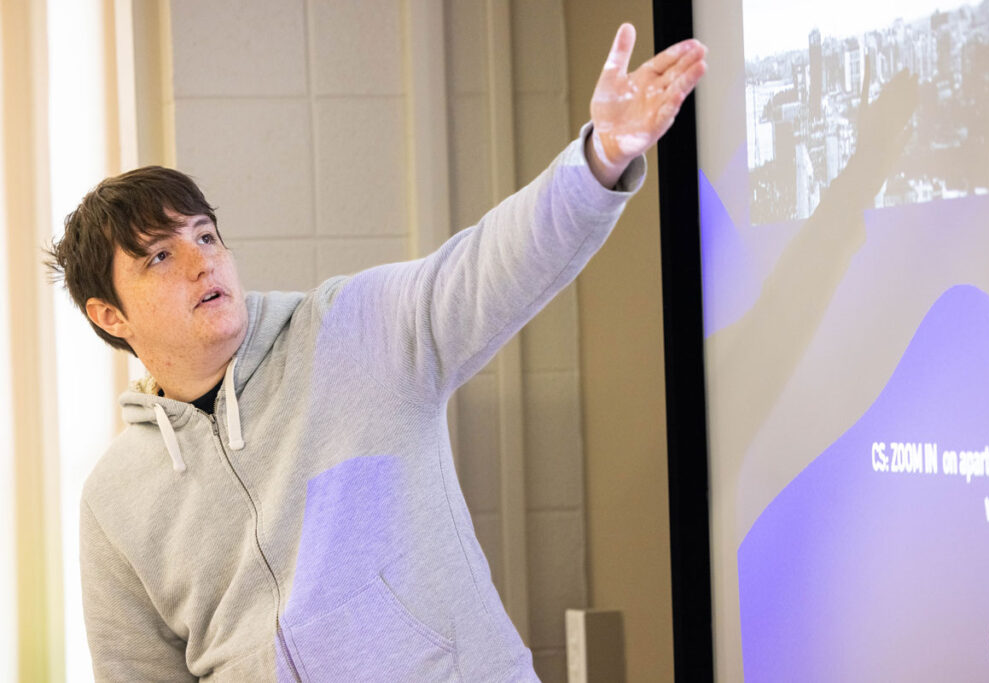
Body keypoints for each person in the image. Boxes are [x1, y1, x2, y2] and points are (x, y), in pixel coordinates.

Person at [47, 24, 705, 681]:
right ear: (110, 315)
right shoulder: (114, 500)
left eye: (207, 234)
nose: (200, 260)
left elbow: (490, 264)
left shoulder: (355, 330)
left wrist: (599, 160)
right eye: (162, 254)